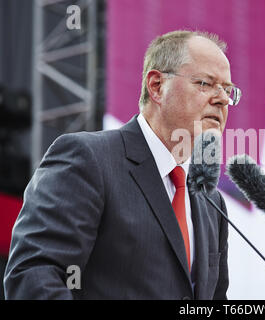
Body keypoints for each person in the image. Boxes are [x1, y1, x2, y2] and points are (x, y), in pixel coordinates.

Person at [4, 30, 241, 299]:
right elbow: (34, 274)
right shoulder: (89, 159)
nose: (222, 99)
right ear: (156, 86)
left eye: (228, 90)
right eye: (205, 84)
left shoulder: (212, 202)